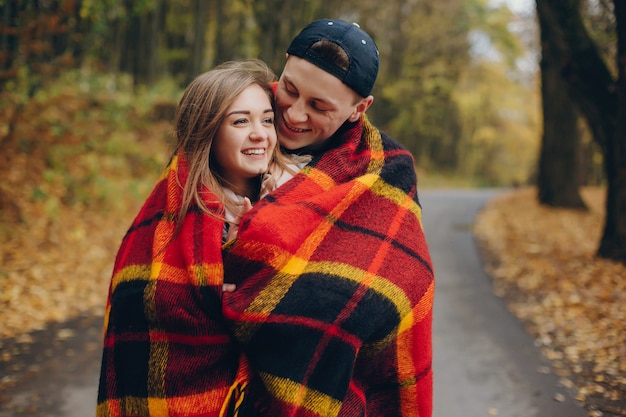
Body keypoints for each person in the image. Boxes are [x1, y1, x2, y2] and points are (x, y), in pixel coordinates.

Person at [221, 19, 435, 417]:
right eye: (289, 89)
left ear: (359, 109)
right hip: (211, 383)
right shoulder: (227, 118)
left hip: (326, 393)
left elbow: (402, 285)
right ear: (283, 64)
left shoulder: (386, 170)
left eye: (319, 106)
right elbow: (170, 234)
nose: (294, 114)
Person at [96, 59, 294, 417]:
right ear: (207, 131)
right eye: (240, 121)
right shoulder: (172, 214)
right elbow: (139, 303)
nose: (260, 134)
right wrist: (209, 291)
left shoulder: (298, 198)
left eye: (267, 120)